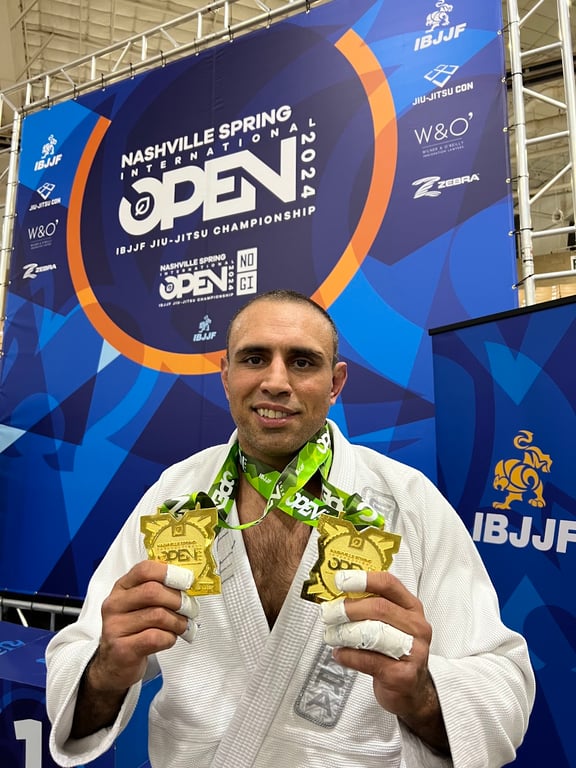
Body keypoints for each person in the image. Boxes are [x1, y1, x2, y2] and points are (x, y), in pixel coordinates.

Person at [46, 289, 535, 768]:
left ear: (335, 382)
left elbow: (503, 684)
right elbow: (78, 657)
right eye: (254, 359)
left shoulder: (406, 501)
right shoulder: (175, 497)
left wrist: (421, 693)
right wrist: (107, 669)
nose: (276, 381)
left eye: (302, 362)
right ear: (226, 375)